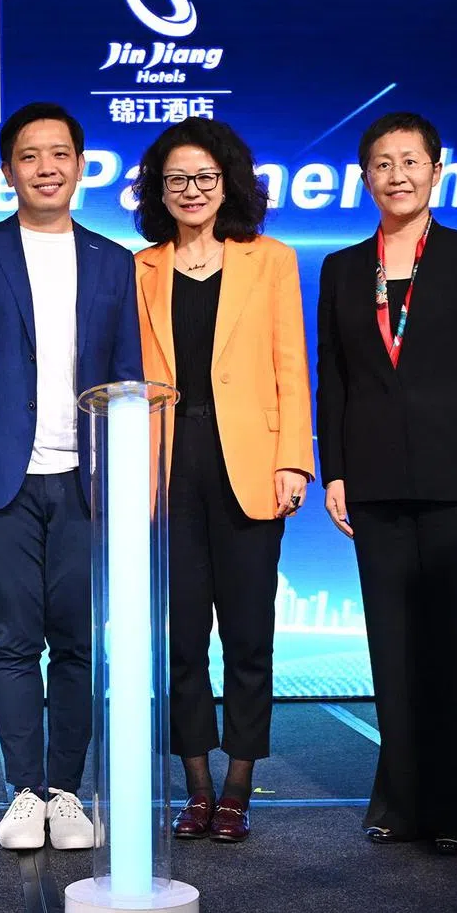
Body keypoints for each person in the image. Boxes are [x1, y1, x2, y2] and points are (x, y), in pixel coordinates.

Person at [0, 102, 143, 850]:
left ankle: (67, 791)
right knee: (14, 640)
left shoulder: (114, 260)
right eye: (30, 156)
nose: (46, 168)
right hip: (1, 479)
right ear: (8, 170)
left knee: (79, 643)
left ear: (80, 166)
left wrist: (124, 477)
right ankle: (24, 791)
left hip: (85, 480)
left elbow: (127, 381)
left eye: (59, 154)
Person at [316, 111, 457, 855]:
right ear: (364, 177)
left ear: (437, 169)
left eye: (410, 161)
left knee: (456, 646)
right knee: (392, 648)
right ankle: (400, 800)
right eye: (382, 163)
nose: (396, 175)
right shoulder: (343, 267)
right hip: (372, 479)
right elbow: (333, 376)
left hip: (456, 475)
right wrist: (336, 469)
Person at [132, 117, 314, 844]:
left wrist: (293, 459)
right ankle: (197, 787)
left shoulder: (271, 260)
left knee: (248, 634)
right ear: (158, 190)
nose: (191, 190)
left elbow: (291, 366)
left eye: (204, 177)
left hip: (250, 462)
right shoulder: (140, 267)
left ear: (228, 182)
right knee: (180, 637)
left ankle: (238, 785)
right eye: (176, 179)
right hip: (168, 464)